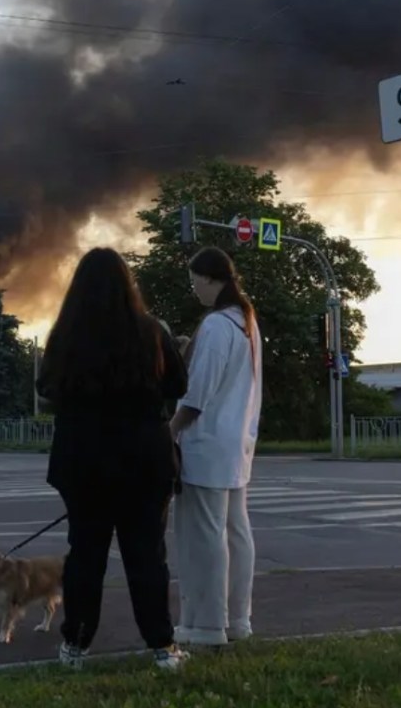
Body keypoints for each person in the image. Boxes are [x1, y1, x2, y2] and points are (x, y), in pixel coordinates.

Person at [37, 247, 190, 670]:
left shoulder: (66, 333)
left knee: (85, 554)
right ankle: (162, 647)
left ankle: (76, 646)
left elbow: (46, 388)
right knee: (147, 555)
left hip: (83, 459)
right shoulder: (151, 331)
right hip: (144, 458)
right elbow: (178, 382)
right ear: (129, 284)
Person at [168, 246, 263, 647]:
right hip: (237, 444)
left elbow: (196, 395)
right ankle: (238, 620)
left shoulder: (216, 326)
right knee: (236, 533)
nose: (195, 291)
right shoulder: (246, 321)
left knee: (203, 538)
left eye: (195, 282)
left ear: (210, 279)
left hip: (206, 448)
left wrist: (168, 432)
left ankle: (206, 626)